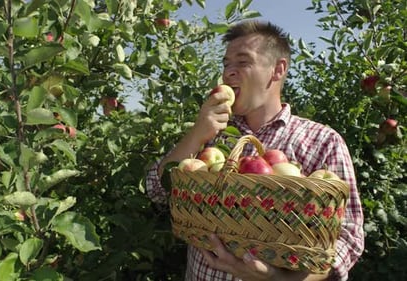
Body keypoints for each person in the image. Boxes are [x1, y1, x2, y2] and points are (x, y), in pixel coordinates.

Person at [146, 20, 364, 281]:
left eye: (242, 62)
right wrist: (196, 135)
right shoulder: (211, 134)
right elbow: (156, 191)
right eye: (226, 64)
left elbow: (348, 236)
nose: (229, 73)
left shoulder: (321, 141)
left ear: (277, 70)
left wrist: (280, 278)